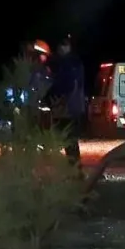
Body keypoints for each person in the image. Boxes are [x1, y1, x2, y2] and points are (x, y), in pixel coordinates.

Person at [46, 35, 85, 166]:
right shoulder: (75, 62)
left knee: (68, 139)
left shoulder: (67, 63)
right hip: (74, 107)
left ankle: (74, 169)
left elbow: (64, 85)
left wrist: (51, 96)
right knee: (71, 140)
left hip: (67, 108)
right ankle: (75, 169)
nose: (59, 50)